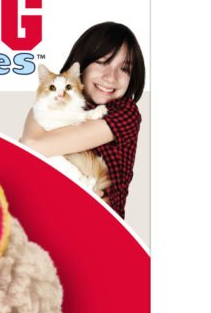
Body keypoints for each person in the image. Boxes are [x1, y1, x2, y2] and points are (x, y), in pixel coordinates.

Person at [20, 22, 145, 218]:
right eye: (103, 62)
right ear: (81, 65)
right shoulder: (50, 103)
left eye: (124, 68)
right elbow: (28, 150)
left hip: (100, 224)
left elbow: (33, 145)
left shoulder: (125, 112)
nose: (110, 77)